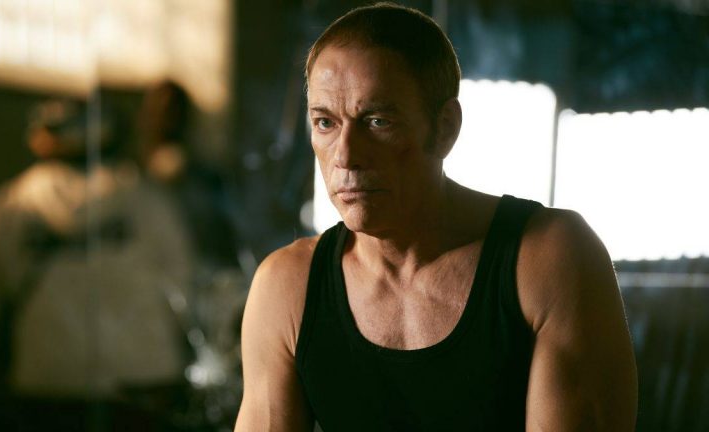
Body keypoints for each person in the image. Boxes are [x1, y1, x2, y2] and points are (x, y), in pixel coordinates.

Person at [236, 3, 638, 431]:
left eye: (378, 121)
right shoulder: (288, 286)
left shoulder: (550, 257)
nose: (346, 155)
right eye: (325, 123)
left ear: (445, 128)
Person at [0, 99, 194, 430]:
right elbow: (184, 288)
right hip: (141, 382)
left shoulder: (13, 205)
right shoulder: (147, 201)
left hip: (50, 383)